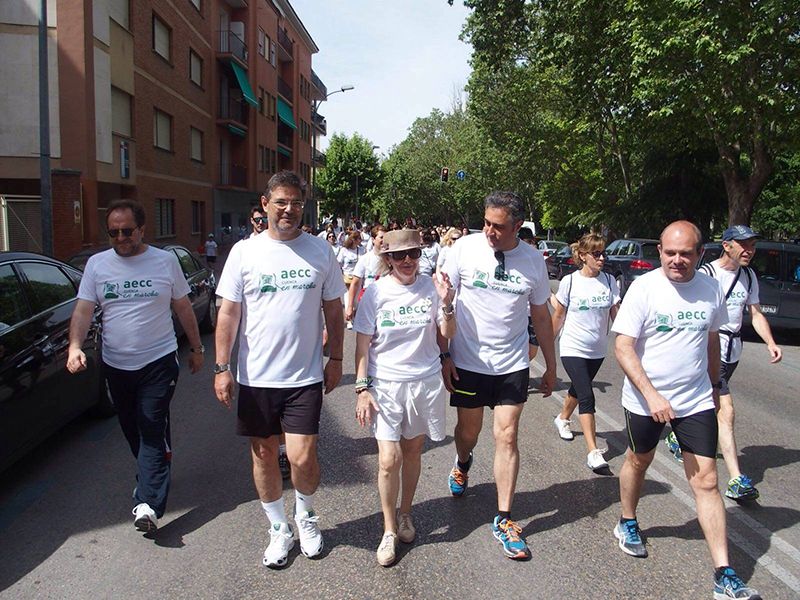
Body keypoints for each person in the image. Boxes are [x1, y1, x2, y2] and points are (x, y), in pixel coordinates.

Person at [611, 220, 760, 600]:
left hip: (694, 399)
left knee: (707, 481)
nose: (677, 260)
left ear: (700, 254)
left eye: (686, 253)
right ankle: (627, 520)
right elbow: (624, 347)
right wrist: (652, 395)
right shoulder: (644, 288)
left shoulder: (710, 289)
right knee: (638, 460)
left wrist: (713, 387)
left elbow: (712, 340)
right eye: (670, 252)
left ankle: (724, 573)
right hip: (645, 400)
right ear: (660, 251)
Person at [213, 171, 346, 569]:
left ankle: (305, 516)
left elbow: (334, 309)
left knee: (303, 458)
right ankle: (278, 528)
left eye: (297, 203)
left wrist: (336, 358)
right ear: (265, 203)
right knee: (263, 453)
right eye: (282, 202)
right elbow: (229, 313)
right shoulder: (244, 253)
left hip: (303, 377)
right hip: (256, 378)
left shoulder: (320, 251)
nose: (290, 210)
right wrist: (222, 367)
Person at [66, 199, 204, 534]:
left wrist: (198, 348)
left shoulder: (164, 261)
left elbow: (183, 306)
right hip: (116, 365)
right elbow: (84, 310)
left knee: (150, 423)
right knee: (132, 429)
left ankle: (149, 504)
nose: (121, 237)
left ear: (142, 229)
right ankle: (154, 469)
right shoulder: (97, 266)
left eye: (127, 231)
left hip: (158, 361)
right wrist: (74, 347)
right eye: (114, 232)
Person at [441, 191, 556, 560]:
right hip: (469, 363)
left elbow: (541, 315)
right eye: (486, 223)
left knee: (506, 435)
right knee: (468, 434)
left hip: (512, 365)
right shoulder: (464, 249)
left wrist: (551, 366)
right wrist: (443, 354)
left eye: (499, 226)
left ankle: (504, 518)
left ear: (517, 226)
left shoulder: (534, 261)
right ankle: (462, 463)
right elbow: (441, 300)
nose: (490, 231)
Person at [353, 230, 456, 566]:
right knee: (387, 459)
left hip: (423, 383)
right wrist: (362, 388)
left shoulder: (431, 287)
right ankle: (387, 530)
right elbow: (363, 345)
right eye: (400, 256)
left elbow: (446, 335)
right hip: (386, 385)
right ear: (388, 259)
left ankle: (406, 514)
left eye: (413, 253)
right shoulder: (377, 293)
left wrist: (447, 304)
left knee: (412, 451)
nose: (407, 260)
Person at [667, 224, 780, 501]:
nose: (750, 251)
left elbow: (754, 314)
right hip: (706, 350)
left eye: (752, 246)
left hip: (733, 351)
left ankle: (677, 436)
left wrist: (770, 342)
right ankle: (736, 480)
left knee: (712, 403)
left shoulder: (749, 277)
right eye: (744, 245)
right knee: (725, 411)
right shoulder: (706, 274)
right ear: (727, 245)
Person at [550, 234, 620, 470]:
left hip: (597, 349)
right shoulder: (570, 282)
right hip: (572, 346)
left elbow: (616, 316)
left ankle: (562, 419)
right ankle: (593, 452)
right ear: (582, 256)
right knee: (587, 396)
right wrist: (548, 347)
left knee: (578, 390)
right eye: (596, 254)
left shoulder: (610, 281)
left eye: (603, 253)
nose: (601, 258)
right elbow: (558, 315)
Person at [346, 225, 388, 325]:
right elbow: (355, 283)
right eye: (381, 237)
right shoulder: (365, 259)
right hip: (368, 302)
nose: (384, 240)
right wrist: (350, 306)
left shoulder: (392, 258)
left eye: (386, 238)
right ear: (373, 239)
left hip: (387, 302)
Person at [339, 230, 366, 329]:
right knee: (348, 299)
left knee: (356, 300)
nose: (361, 240)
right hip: (347, 277)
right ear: (353, 239)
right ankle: (349, 320)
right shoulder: (344, 250)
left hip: (358, 278)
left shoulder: (362, 250)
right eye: (359, 238)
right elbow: (339, 263)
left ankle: (356, 318)